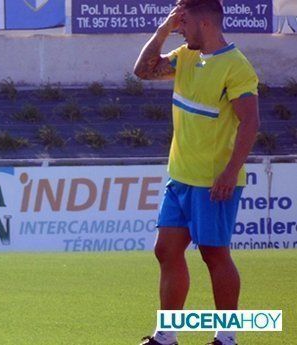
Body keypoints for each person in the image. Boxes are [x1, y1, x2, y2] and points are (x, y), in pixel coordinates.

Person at [133, 0, 260, 344]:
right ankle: (166, 336)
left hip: (213, 182)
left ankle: (227, 337)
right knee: (165, 250)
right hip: (180, 178)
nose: (178, 28)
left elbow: (250, 121)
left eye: (182, 22)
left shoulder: (236, 66)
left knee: (214, 254)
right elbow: (142, 71)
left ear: (204, 23)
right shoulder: (186, 56)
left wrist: (230, 172)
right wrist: (161, 31)